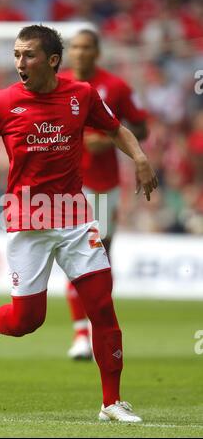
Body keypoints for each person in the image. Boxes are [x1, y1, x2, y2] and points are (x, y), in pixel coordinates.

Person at [0, 25, 158, 423]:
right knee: (28, 320)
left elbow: (116, 128)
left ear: (52, 60)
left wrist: (139, 158)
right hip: (27, 217)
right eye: (16, 55)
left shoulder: (82, 95)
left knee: (102, 306)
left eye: (28, 55)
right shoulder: (2, 102)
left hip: (74, 215)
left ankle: (111, 402)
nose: (20, 63)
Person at [60, 29, 149, 360]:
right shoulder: (57, 84)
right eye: (76, 47)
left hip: (104, 184)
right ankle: (81, 334)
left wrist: (111, 137)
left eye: (87, 48)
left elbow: (141, 127)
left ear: (97, 52)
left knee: (99, 259)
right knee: (74, 253)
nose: (80, 53)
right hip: (67, 183)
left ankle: (97, 329)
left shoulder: (117, 87)